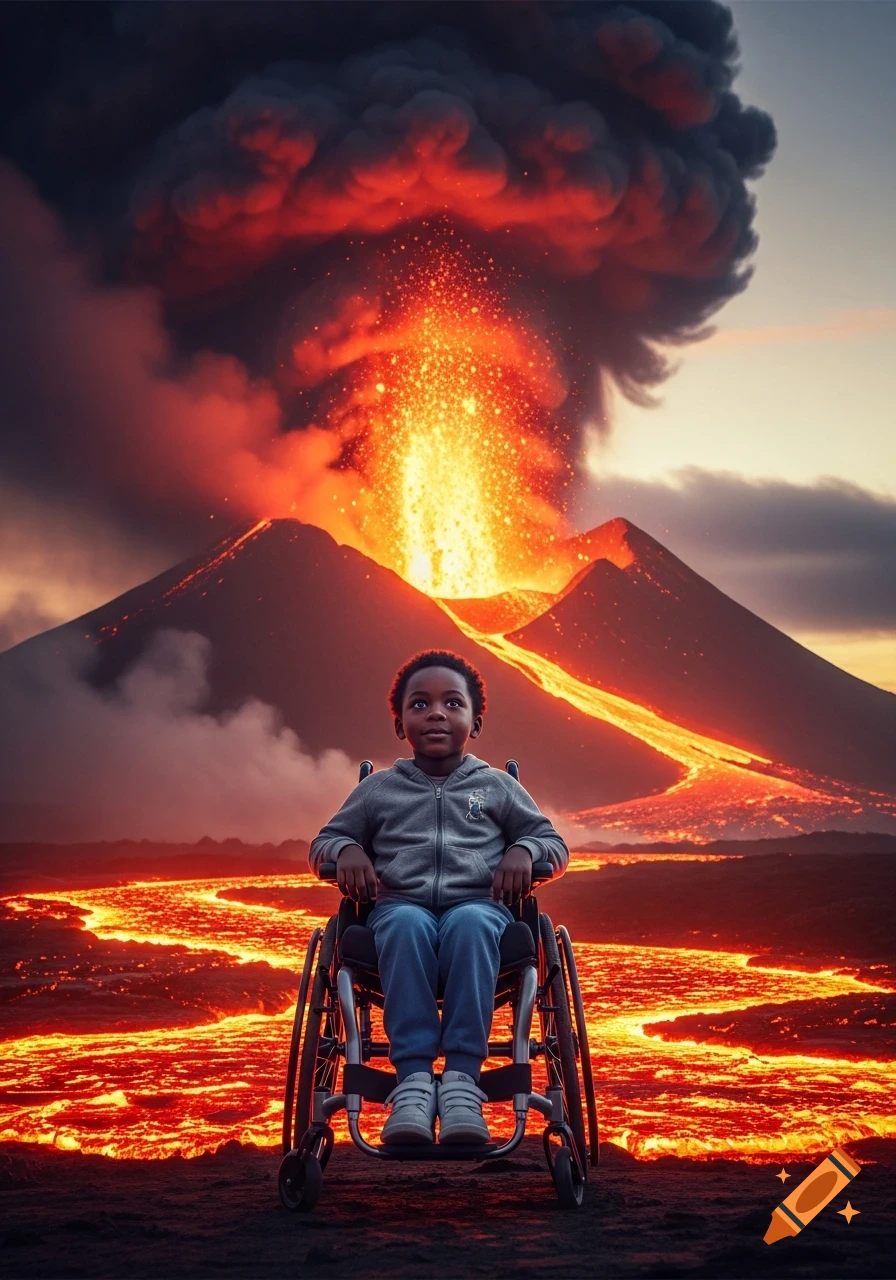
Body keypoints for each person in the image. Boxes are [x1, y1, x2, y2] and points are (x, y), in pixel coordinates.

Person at [308, 648, 569, 1146]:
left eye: (452, 704)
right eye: (420, 704)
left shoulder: (496, 787)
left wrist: (523, 848)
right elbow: (323, 841)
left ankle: (461, 1083)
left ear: (476, 723)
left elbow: (553, 844)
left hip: (480, 912)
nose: (436, 714)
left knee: (472, 923)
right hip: (399, 912)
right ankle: (411, 1082)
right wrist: (345, 850)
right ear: (399, 723)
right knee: (405, 924)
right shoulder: (378, 791)